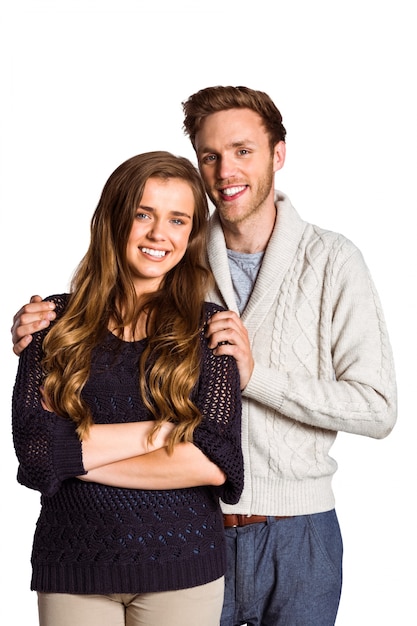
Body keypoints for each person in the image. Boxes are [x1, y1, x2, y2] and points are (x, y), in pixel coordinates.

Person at [11, 86, 397, 626]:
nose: (225, 170)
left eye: (243, 151)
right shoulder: (178, 253)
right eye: (210, 155)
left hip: (297, 529)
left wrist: (257, 377)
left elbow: (377, 408)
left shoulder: (331, 260)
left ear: (277, 155)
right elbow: (102, 342)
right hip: (190, 529)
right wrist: (48, 325)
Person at [11, 150, 244, 626]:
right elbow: (35, 455)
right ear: (113, 219)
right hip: (73, 565)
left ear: (192, 233)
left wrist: (71, 458)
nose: (160, 234)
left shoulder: (211, 330)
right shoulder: (50, 323)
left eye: (178, 220)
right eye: (143, 214)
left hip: (183, 566)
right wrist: (165, 432)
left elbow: (217, 462)